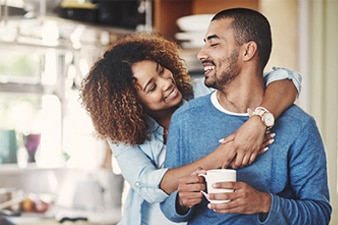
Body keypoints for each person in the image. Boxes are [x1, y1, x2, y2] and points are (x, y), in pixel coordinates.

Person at [80, 32, 301, 225]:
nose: (166, 82)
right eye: (152, 86)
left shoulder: (203, 93)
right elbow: (149, 184)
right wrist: (229, 150)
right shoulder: (121, 133)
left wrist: (258, 122)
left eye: (161, 70)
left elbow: (286, 78)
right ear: (131, 103)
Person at [160, 8, 331, 225]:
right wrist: (181, 201)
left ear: (247, 51)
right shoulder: (185, 119)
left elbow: (319, 215)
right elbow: (168, 206)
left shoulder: (299, 127)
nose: (201, 54)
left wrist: (263, 203)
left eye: (213, 44)